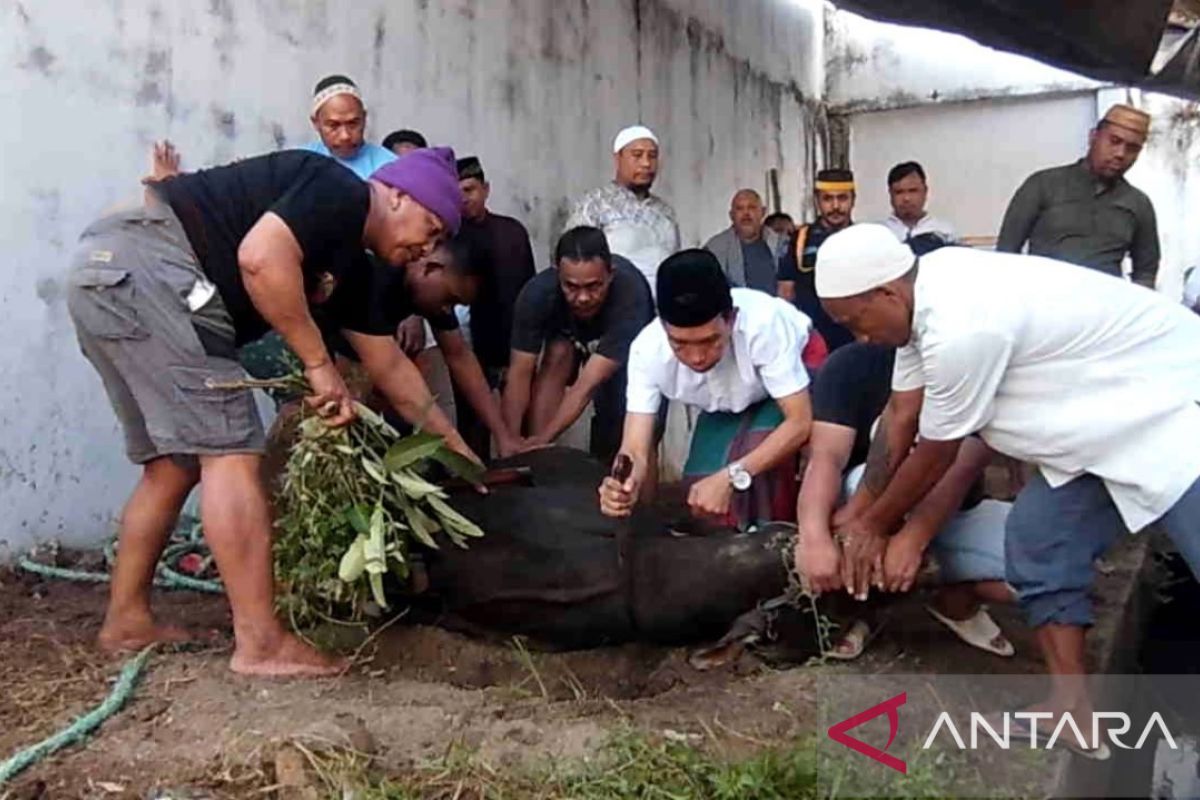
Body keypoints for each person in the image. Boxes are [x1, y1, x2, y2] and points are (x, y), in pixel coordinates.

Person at [66, 145, 464, 676]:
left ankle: (126, 620)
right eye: (431, 228)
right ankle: (261, 644)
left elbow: (393, 371)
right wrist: (319, 365)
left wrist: (457, 453)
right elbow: (260, 258)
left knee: (174, 462)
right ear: (395, 194)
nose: (425, 248)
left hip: (105, 272)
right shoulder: (342, 192)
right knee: (231, 452)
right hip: (157, 268)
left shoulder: (351, 266)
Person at [814, 224, 1200, 758]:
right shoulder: (920, 300)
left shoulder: (961, 325)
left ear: (887, 294)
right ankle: (1074, 714)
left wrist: (877, 527)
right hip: (1103, 431)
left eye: (855, 321)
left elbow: (937, 450)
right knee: (1040, 543)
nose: (859, 337)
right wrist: (856, 515)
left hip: (1176, 407)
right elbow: (901, 414)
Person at [794, 343, 1015, 660]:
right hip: (859, 508)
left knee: (1048, 560)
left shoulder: (974, 364)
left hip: (949, 513)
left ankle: (952, 597)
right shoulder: (851, 364)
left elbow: (960, 467)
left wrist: (913, 540)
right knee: (866, 489)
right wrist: (813, 537)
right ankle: (860, 607)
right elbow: (826, 457)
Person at [599, 250, 813, 530]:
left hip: (796, 380)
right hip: (727, 402)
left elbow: (799, 421)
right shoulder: (647, 351)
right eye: (680, 345)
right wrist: (623, 486)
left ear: (732, 319)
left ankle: (786, 548)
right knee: (701, 493)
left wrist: (733, 475)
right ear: (663, 327)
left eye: (709, 341)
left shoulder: (764, 325)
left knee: (757, 471)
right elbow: (636, 447)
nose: (697, 357)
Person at [503, 227, 654, 463]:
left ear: (610, 274)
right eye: (571, 287)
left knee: (636, 439)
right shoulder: (536, 295)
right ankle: (540, 462)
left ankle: (642, 499)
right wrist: (510, 440)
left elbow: (587, 385)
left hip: (629, 361)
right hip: (568, 342)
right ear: (557, 274)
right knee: (558, 353)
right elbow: (520, 372)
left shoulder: (631, 294)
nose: (583, 298)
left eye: (594, 286)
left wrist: (544, 438)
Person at [997, 104, 1159, 288]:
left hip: (1105, 310)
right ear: (1093, 137)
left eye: (1132, 148)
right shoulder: (1043, 185)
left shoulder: (1138, 204)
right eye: (1114, 141)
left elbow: (1146, 274)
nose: (1120, 154)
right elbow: (1006, 256)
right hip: (1044, 303)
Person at [453, 156, 537, 459]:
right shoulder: (449, 237)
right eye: (456, 192)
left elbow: (529, 289)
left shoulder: (512, 232)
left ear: (485, 189)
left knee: (520, 427)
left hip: (515, 348)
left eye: (469, 189)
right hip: (470, 348)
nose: (463, 198)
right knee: (473, 425)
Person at [564, 125, 680, 293]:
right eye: (637, 155)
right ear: (618, 158)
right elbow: (572, 260)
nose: (646, 163)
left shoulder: (665, 212)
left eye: (652, 156)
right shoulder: (594, 205)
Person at [777, 169, 857, 357]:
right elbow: (785, 292)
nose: (835, 206)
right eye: (828, 199)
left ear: (853, 199)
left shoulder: (863, 238)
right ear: (817, 200)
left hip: (855, 339)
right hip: (811, 341)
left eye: (842, 198)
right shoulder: (800, 240)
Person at [301, 75, 396, 180]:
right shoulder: (300, 163)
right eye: (333, 125)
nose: (345, 136)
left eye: (353, 123)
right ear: (316, 123)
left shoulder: (389, 167)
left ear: (364, 118)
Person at [704, 189, 786, 294]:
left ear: (763, 212)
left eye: (751, 207)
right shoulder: (714, 249)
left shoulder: (782, 244)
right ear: (731, 215)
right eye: (739, 209)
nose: (746, 213)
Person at [882, 161, 958, 256]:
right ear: (890, 194)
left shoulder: (944, 232)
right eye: (899, 192)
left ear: (925, 191)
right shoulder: (880, 233)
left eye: (913, 191)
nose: (906, 198)